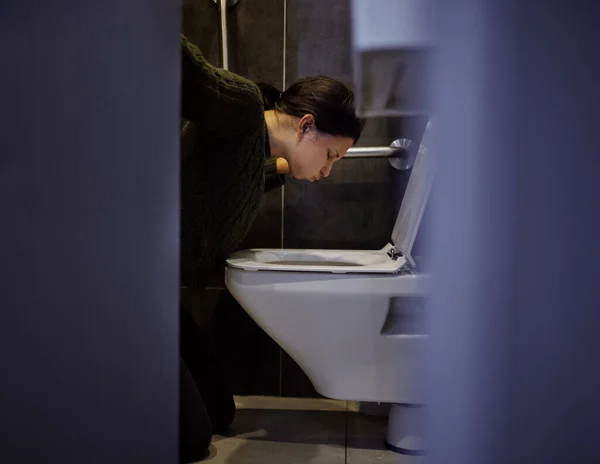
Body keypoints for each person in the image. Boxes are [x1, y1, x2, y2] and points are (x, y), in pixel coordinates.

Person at [178, 34, 364, 463]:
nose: (329, 170)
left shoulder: (252, 148)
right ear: (306, 125)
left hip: (159, 291)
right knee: (190, 439)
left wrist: (289, 168)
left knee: (221, 413)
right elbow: (185, 68)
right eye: (331, 155)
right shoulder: (242, 109)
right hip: (128, 278)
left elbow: (243, 177)